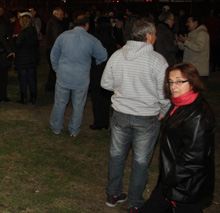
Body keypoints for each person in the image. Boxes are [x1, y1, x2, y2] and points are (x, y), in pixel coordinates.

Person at [101, 18, 170, 213]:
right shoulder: (157, 61)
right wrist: (164, 112)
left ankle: (113, 194)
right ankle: (134, 202)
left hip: (121, 114)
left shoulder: (117, 55)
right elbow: (164, 93)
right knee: (140, 162)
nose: (156, 37)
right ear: (148, 36)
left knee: (117, 155)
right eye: (154, 34)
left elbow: (106, 83)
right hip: (146, 117)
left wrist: (123, 89)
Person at [140, 63, 215, 213]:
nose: (174, 86)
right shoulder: (179, 104)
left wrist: (169, 180)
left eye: (180, 81)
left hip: (186, 187)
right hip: (172, 181)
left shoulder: (198, 115)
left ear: (192, 81)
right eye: (171, 81)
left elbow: (193, 158)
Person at [49, 14, 107, 136]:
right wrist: (95, 62)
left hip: (64, 75)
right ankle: (74, 130)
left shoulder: (63, 36)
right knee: (78, 105)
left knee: (60, 102)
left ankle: (56, 127)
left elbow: (54, 54)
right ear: (87, 25)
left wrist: (56, 68)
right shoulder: (92, 40)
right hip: (81, 77)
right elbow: (103, 55)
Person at [88, 16, 118, 130]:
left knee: (96, 97)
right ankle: (105, 122)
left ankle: (98, 122)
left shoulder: (95, 39)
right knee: (106, 97)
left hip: (97, 70)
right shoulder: (111, 39)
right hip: (109, 70)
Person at [14, 12, 40, 104]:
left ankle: (23, 97)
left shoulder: (23, 32)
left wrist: (14, 39)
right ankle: (33, 97)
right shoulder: (33, 32)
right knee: (32, 79)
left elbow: (18, 44)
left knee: (23, 79)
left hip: (23, 59)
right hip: (32, 59)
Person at [0, 10, 16, 102]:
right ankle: (2, 95)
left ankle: (0, 94)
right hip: (2, 55)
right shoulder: (4, 26)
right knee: (3, 76)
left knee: (1, 75)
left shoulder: (3, 25)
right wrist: (9, 50)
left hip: (1, 54)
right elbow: (3, 39)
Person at [44, 7, 65, 92]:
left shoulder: (52, 22)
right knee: (54, 69)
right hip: (53, 49)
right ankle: (51, 87)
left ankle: (50, 87)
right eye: (61, 14)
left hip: (51, 48)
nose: (62, 16)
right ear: (55, 14)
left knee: (53, 69)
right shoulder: (55, 23)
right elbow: (57, 37)